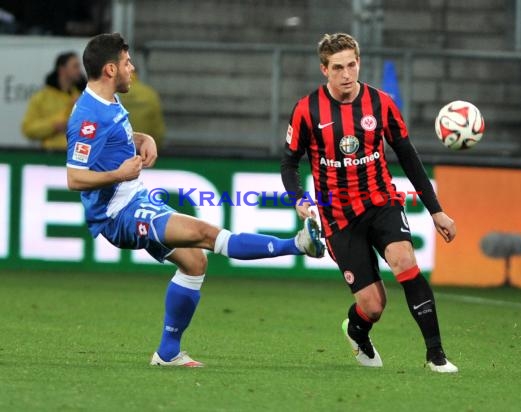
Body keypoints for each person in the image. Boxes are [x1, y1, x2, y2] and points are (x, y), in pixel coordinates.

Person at [66, 33, 325, 368]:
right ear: (110, 69)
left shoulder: (108, 100)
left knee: (194, 263)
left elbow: (115, 138)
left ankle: (168, 353)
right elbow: (74, 178)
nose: (133, 68)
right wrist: (120, 173)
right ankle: (299, 243)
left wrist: (141, 138)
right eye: (127, 62)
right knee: (206, 234)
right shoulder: (88, 117)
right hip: (118, 214)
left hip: (135, 199)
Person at [281, 33, 458, 373]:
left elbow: (408, 156)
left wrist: (436, 209)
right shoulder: (307, 110)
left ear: (358, 63)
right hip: (338, 217)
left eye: (351, 65)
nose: (346, 74)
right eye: (337, 68)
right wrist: (298, 197)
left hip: (381, 202)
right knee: (373, 305)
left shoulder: (381, 104)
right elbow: (289, 162)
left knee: (405, 260)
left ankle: (436, 355)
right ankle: (357, 329)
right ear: (324, 69)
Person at [22, 51, 85, 150]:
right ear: (62, 69)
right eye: (75, 66)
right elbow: (28, 129)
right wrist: (53, 126)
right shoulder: (42, 97)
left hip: (78, 155)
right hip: (51, 156)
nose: (79, 70)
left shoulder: (82, 97)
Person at [119, 73, 166, 148]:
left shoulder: (111, 93)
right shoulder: (148, 93)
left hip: (117, 148)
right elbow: (157, 128)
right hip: (143, 147)